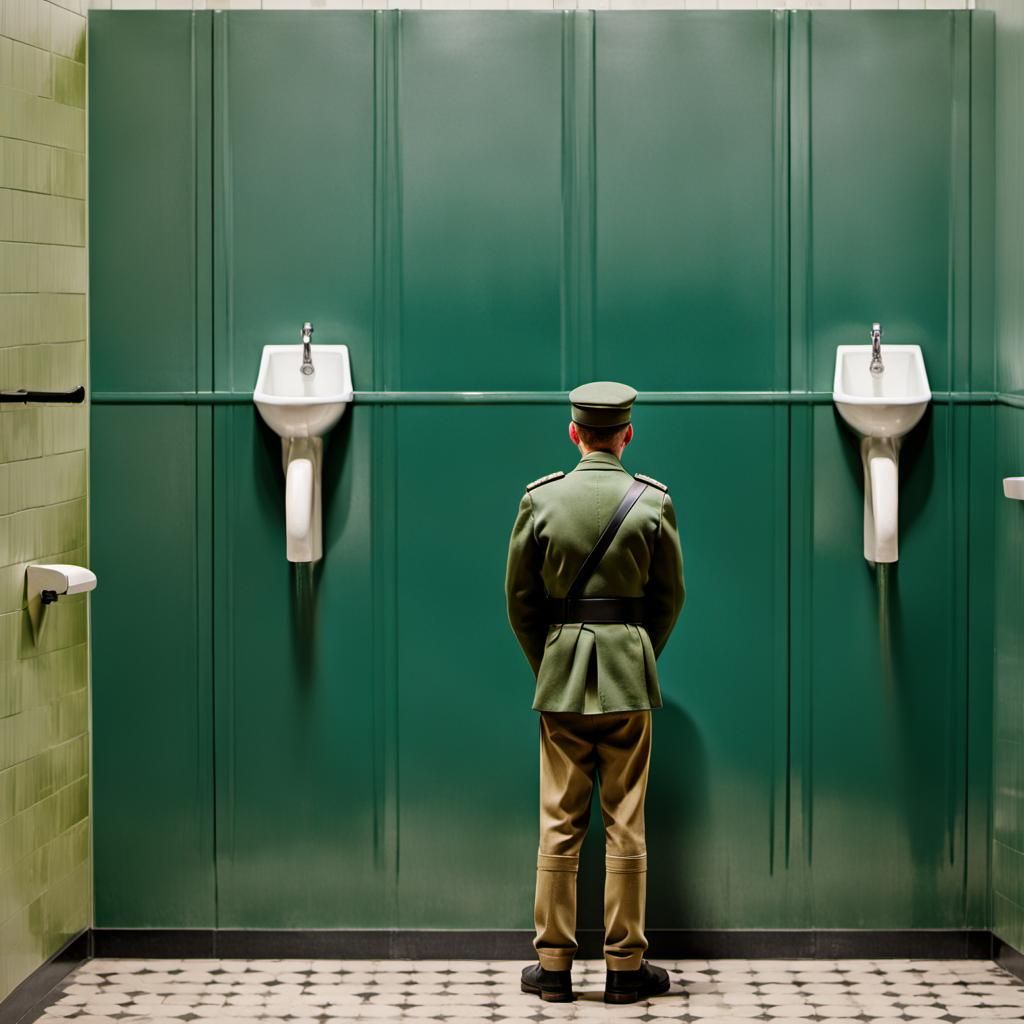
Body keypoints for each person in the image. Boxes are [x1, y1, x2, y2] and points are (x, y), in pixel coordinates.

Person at [504, 381, 685, 1005]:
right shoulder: (651, 504)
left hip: (561, 680)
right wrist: (636, 655)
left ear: (574, 432)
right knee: (625, 824)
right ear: (627, 433)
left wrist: (550, 663)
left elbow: (521, 602)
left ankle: (553, 968)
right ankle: (624, 969)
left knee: (560, 820)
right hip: (628, 679)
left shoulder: (541, 499)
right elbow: (669, 598)